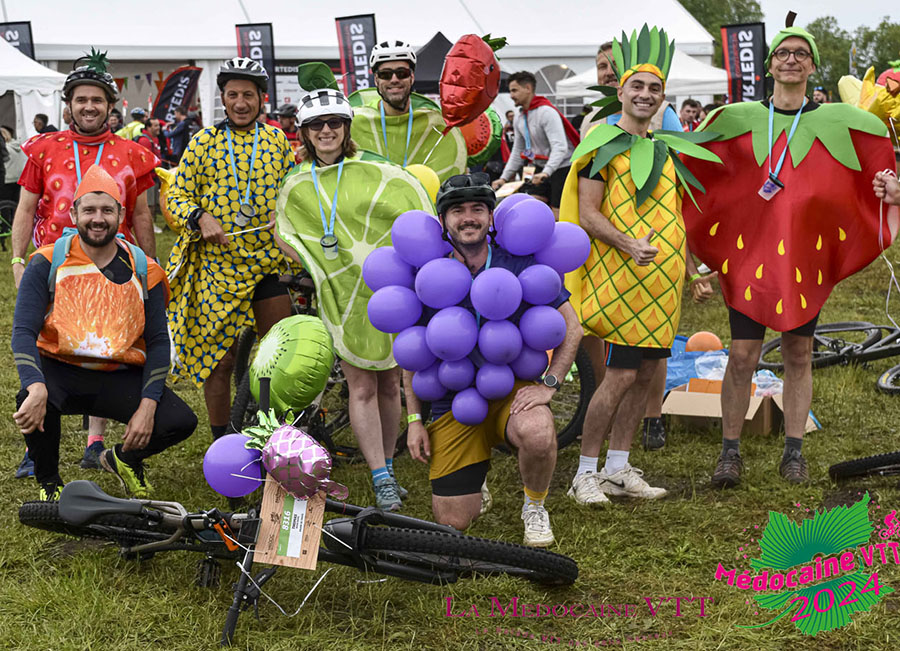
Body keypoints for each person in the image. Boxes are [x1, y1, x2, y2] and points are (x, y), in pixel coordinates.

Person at [679, 19, 899, 487]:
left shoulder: (838, 121)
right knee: (741, 355)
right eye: (784, 53)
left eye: (801, 53)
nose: (792, 59)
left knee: (798, 353)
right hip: (747, 261)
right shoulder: (736, 119)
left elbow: (875, 164)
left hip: (803, 261)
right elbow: (695, 163)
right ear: (769, 65)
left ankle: (793, 451)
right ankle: (729, 453)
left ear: (813, 66)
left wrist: (889, 187)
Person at [559, 25, 716, 506]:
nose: (645, 95)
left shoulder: (666, 151)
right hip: (622, 276)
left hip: (663, 283)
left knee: (648, 375)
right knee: (621, 375)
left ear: (663, 97)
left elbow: (673, 217)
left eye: (655, 89)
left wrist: (692, 272)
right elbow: (587, 213)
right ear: (621, 92)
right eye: (637, 87)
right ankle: (584, 473)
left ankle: (618, 467)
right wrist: (627, 244)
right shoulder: (600, 146)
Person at [275, 65, 435, 511]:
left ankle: (385, 464)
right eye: (316, 125)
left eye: (334, 124)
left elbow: (409, 214)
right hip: (339, 296)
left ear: (346, 128)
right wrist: (316, 262)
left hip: (388, 292)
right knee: (361, 385)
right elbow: (285, 231)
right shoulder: (297, 184)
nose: (326, 131)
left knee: (390, 385)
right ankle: (381, 478)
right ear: (304, 133)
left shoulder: (379, 171)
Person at [405, 174, 582, 546]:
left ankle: (534, 506)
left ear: (491, 217)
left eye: (477, 209)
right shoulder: (428, 271)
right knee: (453, 522)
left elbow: (573, 328)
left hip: (511, 387)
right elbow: (412, 351)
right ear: (442, 221)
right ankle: (476, 472)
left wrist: (550, 384)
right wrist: (413, 420)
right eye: (457, 211)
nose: (468, 218)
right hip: (451, 396)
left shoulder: (518, 261)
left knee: (537, 432)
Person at [10, 49, 159, 475]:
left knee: (109, 343)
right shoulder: (44, 149)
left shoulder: (132, 154)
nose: (89, 106)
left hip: (115, 266)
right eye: (81, 100)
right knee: (44, 343)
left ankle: (96, 442)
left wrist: (150, 265)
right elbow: (25, 208)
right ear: (68, 105)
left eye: (97, 100)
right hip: (53, 269)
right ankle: (37, 438)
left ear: (111, 107)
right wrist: (18, 260)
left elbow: (142, 214)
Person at [11, 165, 196, 500]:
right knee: (30, 399)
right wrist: (35, 384)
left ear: (120, 214)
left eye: (107, 210)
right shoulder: (46, 262)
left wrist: (148, 405)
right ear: (74, 213)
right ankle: (49, 483)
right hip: (60, 370)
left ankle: (123, 459)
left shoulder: (145, 269)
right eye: (90, 210)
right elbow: (23, 330)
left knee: (180, 421)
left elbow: (157, 342)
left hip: (118, 375)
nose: (98, 219)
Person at [165, 57, 295, 441]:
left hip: (268, 264)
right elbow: (177, 194)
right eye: (233, 94)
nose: (241, 102)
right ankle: (223, 441)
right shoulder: (204, 142)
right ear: (223, 98)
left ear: (262, 99)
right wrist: (200, 216)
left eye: (248, 95)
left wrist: (287, 217)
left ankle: (276, 434)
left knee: (277, 357)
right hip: (217, 268)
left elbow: (295, 193)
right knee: (219, 363)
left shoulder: (276, 141)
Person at [350, 40, 466, 181]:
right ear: (376, 80)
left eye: (402, 73)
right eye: (385, 75)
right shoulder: (354, 122)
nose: (394, 79)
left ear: (412, 77)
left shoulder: (435, 124)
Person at [492, 71, 579, 215]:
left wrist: (546, 172)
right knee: (532, 207)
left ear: (528, 88)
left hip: (561, 168)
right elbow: (517, 152)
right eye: (510, 91)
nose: (511, 95)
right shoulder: (520, 118)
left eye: (514, 90)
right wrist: (504, 177)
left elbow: (560, 147)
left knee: (558, 213)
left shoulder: (546, 112)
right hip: (539, 168)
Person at [580, 42, 683, 141]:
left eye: (616, 64)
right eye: (602, 66)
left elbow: (681, 156)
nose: (609, 72)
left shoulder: (662, 112)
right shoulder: (590, 121)